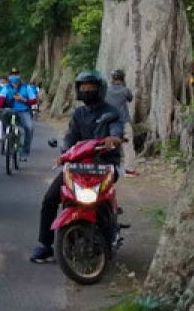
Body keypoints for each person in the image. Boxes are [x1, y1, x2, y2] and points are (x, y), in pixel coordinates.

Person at [29, 70, 124, 263]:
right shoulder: (78, 114)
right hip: (78, 166)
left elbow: (116, 130)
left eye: (91, 87)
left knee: (102, 200)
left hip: (104, 166)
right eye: (83, 87)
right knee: (50, 198)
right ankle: (45, 245)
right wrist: (64, 152)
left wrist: (113, 138)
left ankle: (108, 234)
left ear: (100, 89)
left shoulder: (111, 113)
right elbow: (71, 136)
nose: (87, 90)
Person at [0, 67, 38, 160]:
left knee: (29, 128)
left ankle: (25, 152)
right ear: (9, 77)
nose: (14, 77)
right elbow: (0, 101)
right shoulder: (6, 88)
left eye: (16, 75)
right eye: (12, 75)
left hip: (24, 111)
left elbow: (34, 101)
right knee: (4, 115)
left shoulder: (27, 87)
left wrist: (23, 99)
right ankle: (5, 135)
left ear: (19, 76)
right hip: (10, 111)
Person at [106, 69, 137, 176]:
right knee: (127, 144)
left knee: (109, 144)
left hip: (110, 122)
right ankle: (129, 169)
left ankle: (108, 167)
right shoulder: (125, 90)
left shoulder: (107, 91)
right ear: (122, 79)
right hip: (123, 121)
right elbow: (130, 98)